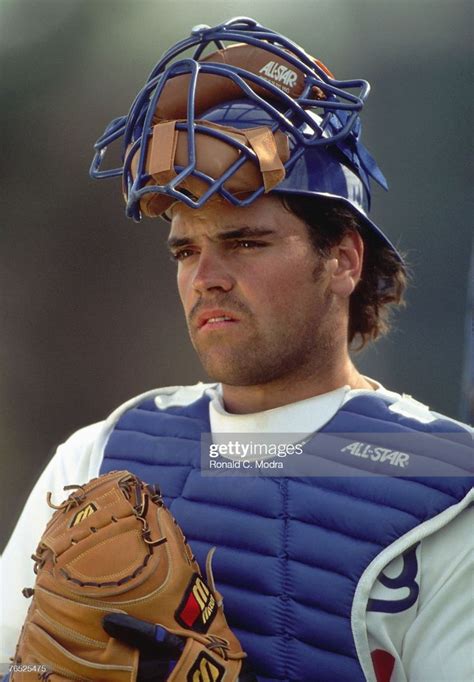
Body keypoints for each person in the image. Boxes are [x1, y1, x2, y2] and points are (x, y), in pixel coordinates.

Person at [1, 17, 472, 682]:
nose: (206, 277)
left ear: (342, 259)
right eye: (186, 250)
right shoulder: (100, 455)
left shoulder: (447, 488)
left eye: (246, 242)